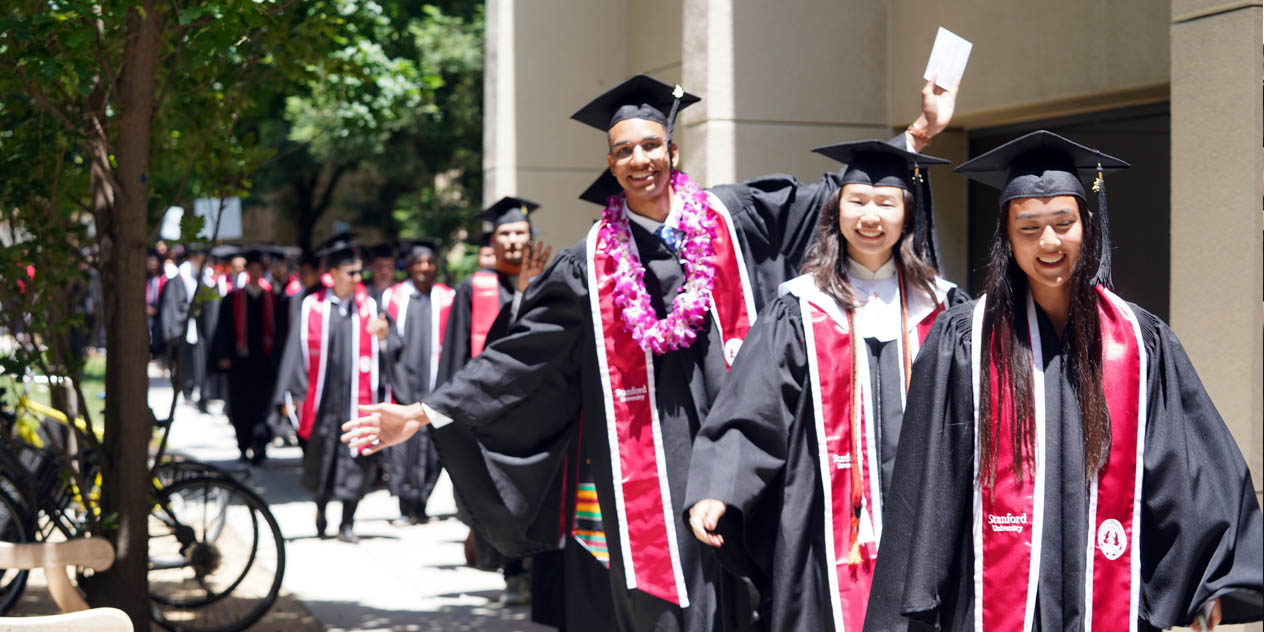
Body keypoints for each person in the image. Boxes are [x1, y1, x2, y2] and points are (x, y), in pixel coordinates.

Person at [343, 74, 957, 632]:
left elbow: (841, 198)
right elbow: (520, 358)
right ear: (611, 165)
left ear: (672, 151)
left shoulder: (734, 216)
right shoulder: (589, 266)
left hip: (752, 454)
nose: (639, 159)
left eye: (650, 145)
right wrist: (425, 413)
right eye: (624, 150)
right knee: (667, 614)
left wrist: (917, 133)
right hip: (652, 470)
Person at [863, 130, 1264, 632]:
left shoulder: (1139, 343)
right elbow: (927, 488)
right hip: (994, 605)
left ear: (1087, 227)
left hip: (1107, 600)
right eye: (1028, 227)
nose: (1048, 242)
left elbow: (1187, 465)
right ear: (1006, 237)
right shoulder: (965, 341)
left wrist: (1214, 583)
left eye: (1063, 223)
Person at [683, 141, 965, 632]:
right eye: (857, 201)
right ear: (837, 212)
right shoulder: (800, 309)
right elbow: (754, 407)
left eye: (885, 203)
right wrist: (720, 487)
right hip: (823, 521)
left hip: (925, 519)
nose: (870, 216)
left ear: (908, 215)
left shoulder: (945, 310)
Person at [432, 195, 543, 606]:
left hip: (534, 408)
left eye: (520, 232)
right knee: (497, 495)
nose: (513, 240)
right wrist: (444, 409)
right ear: (492, 241)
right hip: (486, 413)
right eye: (505, 233)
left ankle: (533, 572)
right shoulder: (472, 288)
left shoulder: (543, 281)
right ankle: (514, 572)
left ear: (531, 237)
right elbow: (454, 352)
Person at [274, 239, 385, 543]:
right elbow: (296, 353)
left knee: (357, 461)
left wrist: (384, 339)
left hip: (358, 402)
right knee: (322, 459)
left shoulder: (371, 307)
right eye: (351, 273)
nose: (357, 279)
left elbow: (388, 354)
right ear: (334, 273)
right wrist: (291, 394)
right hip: (322, 401)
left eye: (359, 273)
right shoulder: (313, 306)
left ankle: (347, 522)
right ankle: (321, 510)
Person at [379, 239, 455, 525]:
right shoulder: (392, 297)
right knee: (403, 446)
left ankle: (422, 504)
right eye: (418, 262)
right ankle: (404, 505)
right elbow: (385, 343)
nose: (425, 267)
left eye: (429, 262)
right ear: (409, 266)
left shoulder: (448, 298)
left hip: (437, 386)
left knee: (433, 448)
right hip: (403, 387)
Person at [209, 249, 286, 464]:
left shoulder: (273, 299)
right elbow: (222, 330)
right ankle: (243, 445)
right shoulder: (233, 298)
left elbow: (280, 332)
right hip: (239, 363)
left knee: (263, 407)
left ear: (262, 272)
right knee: (240, 407)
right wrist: (223, 355)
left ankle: (260, 445)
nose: (254, 273)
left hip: (265, 363)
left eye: (258, 269)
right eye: (250, 269)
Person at [155, 244, 209, 404]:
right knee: (185, 361)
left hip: (197, 326)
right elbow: (174, 305)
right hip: (184, 326)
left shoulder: (202, 276)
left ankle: (199, 390)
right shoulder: (180, 278)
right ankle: (187, 389)